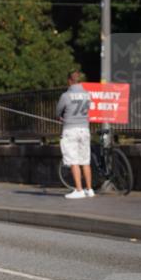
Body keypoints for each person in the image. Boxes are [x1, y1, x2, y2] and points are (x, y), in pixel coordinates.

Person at [56, 69, 94, 199]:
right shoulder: (87, 95)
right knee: (85, 161)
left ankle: (79, 190)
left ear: (69, 81)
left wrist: (61, 117)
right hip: (85, 129)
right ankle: (89, 189)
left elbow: (58, 112)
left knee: (74, 161)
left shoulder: (66, 96)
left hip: (71, 130)